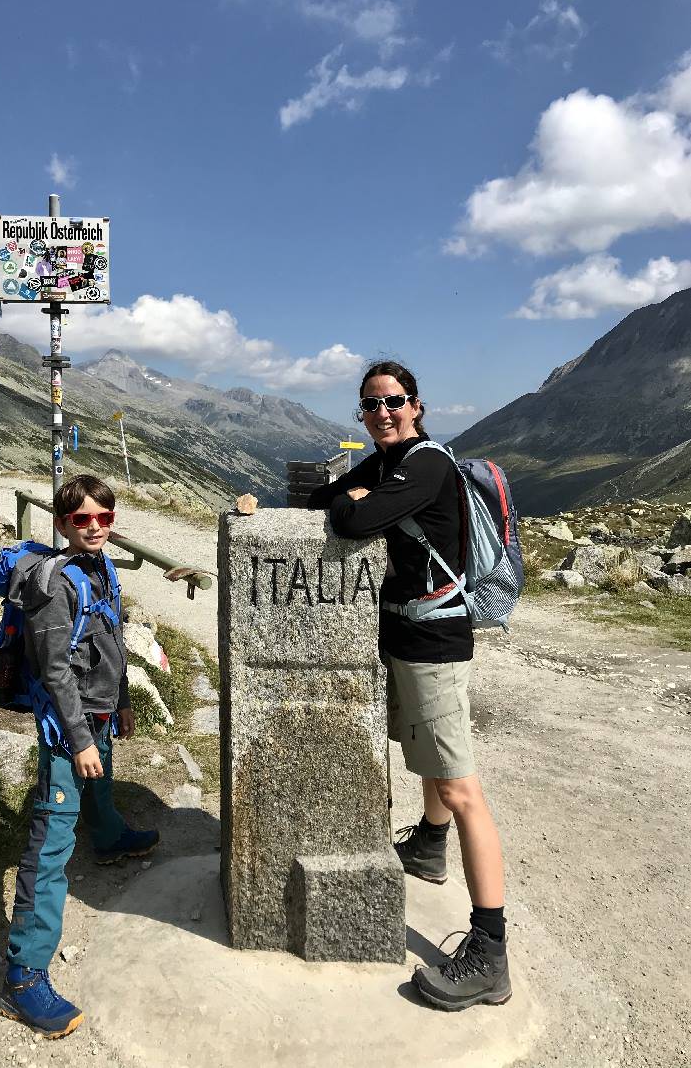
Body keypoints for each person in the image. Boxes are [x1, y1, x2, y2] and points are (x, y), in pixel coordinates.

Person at [308, 360, 510, 1012]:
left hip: (435, 640)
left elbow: (349, 521)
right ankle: (427, 844)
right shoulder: (385, 463)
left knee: (459, 783)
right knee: (424, 753)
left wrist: (356, 502)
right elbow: (323, 500)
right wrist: (352, 497)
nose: (382, 412)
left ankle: (490, 950)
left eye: (393, 401)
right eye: (370, 404)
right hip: (403, 634)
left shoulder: (424, 465)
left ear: (416, 406)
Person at [0, 474, 159, 1039]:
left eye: (105, 519)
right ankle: (24, 975)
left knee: (102, 783)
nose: (95, 528)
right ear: (62, 524)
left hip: (99, 712)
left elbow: (109, 642)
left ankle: (111, 837)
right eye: (82, 520)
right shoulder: (54, 584)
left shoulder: (102, 569)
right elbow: (55, 669)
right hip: (66, 725)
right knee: (52, 838)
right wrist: (80, 738)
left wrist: (122, 707)